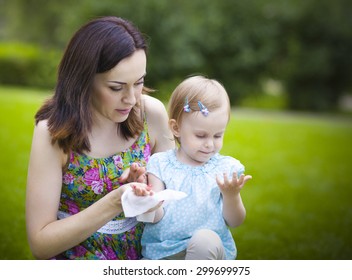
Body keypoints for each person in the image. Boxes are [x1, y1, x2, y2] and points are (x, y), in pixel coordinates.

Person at [25, 16, 174, 260]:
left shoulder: (152, 114)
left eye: (139, 82)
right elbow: (41, 244)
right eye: (116, 87)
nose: (132, 98)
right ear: (83, 80)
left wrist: (147, 190)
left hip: (149, 253)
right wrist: (116, 201)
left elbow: (174, 200)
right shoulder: (53, 131)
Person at [133, 75, 252, 260]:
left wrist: (232, 195)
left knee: (204, 240)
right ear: (176, 128)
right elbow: (156, 217)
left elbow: (235, 221)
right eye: (201, 135)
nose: (210, 144)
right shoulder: (160, 164)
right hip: (165, 252)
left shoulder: (225, 169)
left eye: (218, 135)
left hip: (206, 253)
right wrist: (148, 202)